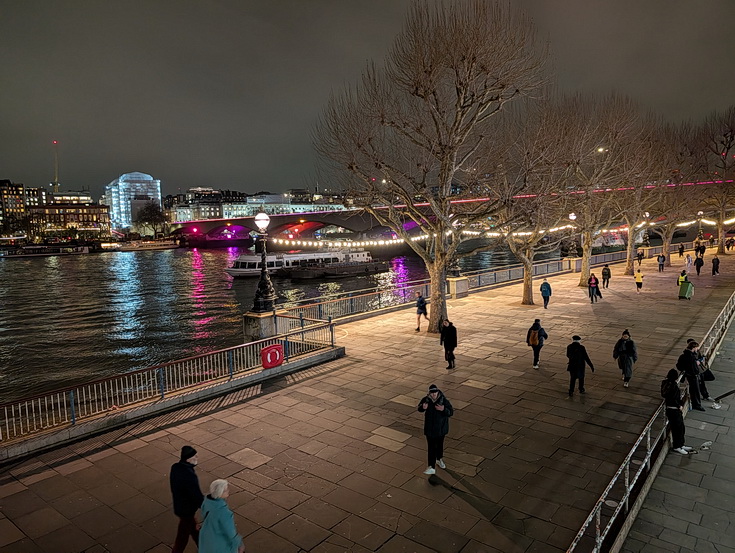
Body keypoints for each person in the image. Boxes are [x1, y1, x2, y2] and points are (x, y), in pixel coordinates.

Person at [170, 446, 205, 553]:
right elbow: (196, 495)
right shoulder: (189, 475)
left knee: (194, 530)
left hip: (180, 506)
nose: (197, 458)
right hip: (187, 510)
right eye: (195, 456)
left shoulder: (175, 467)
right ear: (188, 458)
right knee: (182, 537)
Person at [199, 479, 245, 553]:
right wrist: (239, 543)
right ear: (220, 493)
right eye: (226, 490)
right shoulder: (224, 512)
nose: (228, 491)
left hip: (206, 538)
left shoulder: (207, 502)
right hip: (220, 543)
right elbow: (230, 532)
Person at [417, 384, 453, 475]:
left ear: (438, 392)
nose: (433, 395)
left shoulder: (443, 401)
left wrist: (443, 409)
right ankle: (431, 466)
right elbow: (419, 408)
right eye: (432, 393)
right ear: (429, 393)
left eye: (435, 393)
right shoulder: (426, 400)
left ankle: (439, 459)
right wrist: (422, 408)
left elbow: (451, 412)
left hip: (441, 429)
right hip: (430, 429)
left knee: (439, 446)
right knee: (431, 447)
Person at [661, 369, 694, 455]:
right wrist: (679, 405)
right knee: (679, 429)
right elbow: (674, 398)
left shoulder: (665, 384)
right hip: (675, 410)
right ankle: (677, 446)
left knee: (678, 428)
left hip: (670, 409)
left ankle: (680, 444)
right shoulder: (673, 386)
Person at [677, 341, 705, 411]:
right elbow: (694, 369)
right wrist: (696, 364)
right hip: (693, 376)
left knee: (693, 390)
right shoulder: (691, 357)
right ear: (694, 348)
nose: (697, 350)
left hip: (689, 375)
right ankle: (697, 405)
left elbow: (679, 366)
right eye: (696, 348)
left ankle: (695, 404)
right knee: (696, 390)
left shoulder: (683, 356)